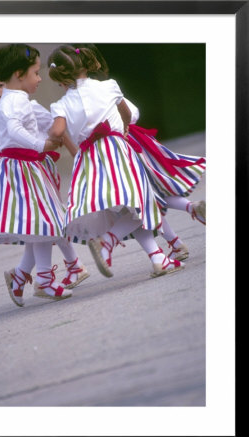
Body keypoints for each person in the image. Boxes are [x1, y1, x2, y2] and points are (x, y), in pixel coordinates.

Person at [47, 45, 185, 279]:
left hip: (90, 159)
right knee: (139, 203)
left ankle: (158, 257)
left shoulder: (60, 105)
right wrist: (123, 128)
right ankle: (109, 241)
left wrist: (52, 134)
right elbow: (128, 114)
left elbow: (58, 131)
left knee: (126, 210)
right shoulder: (109, 86)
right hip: (116, 151)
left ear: (60, 76)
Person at [0, 46, 89, 306]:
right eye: (36, 72)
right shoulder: (15, 100)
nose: (40, 78)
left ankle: (24, 276)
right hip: (21, 169)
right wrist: (39, 145)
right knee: (43, 224)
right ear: (20, 74)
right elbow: (13, 128)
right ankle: (43, 279)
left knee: (42, 225)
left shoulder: (16, 98)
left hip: (27, 168)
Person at [73, 44, 206, 261]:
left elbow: (126, 115)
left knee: (139, 201)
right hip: (133, 143)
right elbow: (134, 112)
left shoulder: (91, 94)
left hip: (120, 147)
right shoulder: (106, 86)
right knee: (146, 196)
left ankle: (177, 231)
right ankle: (179, 234)